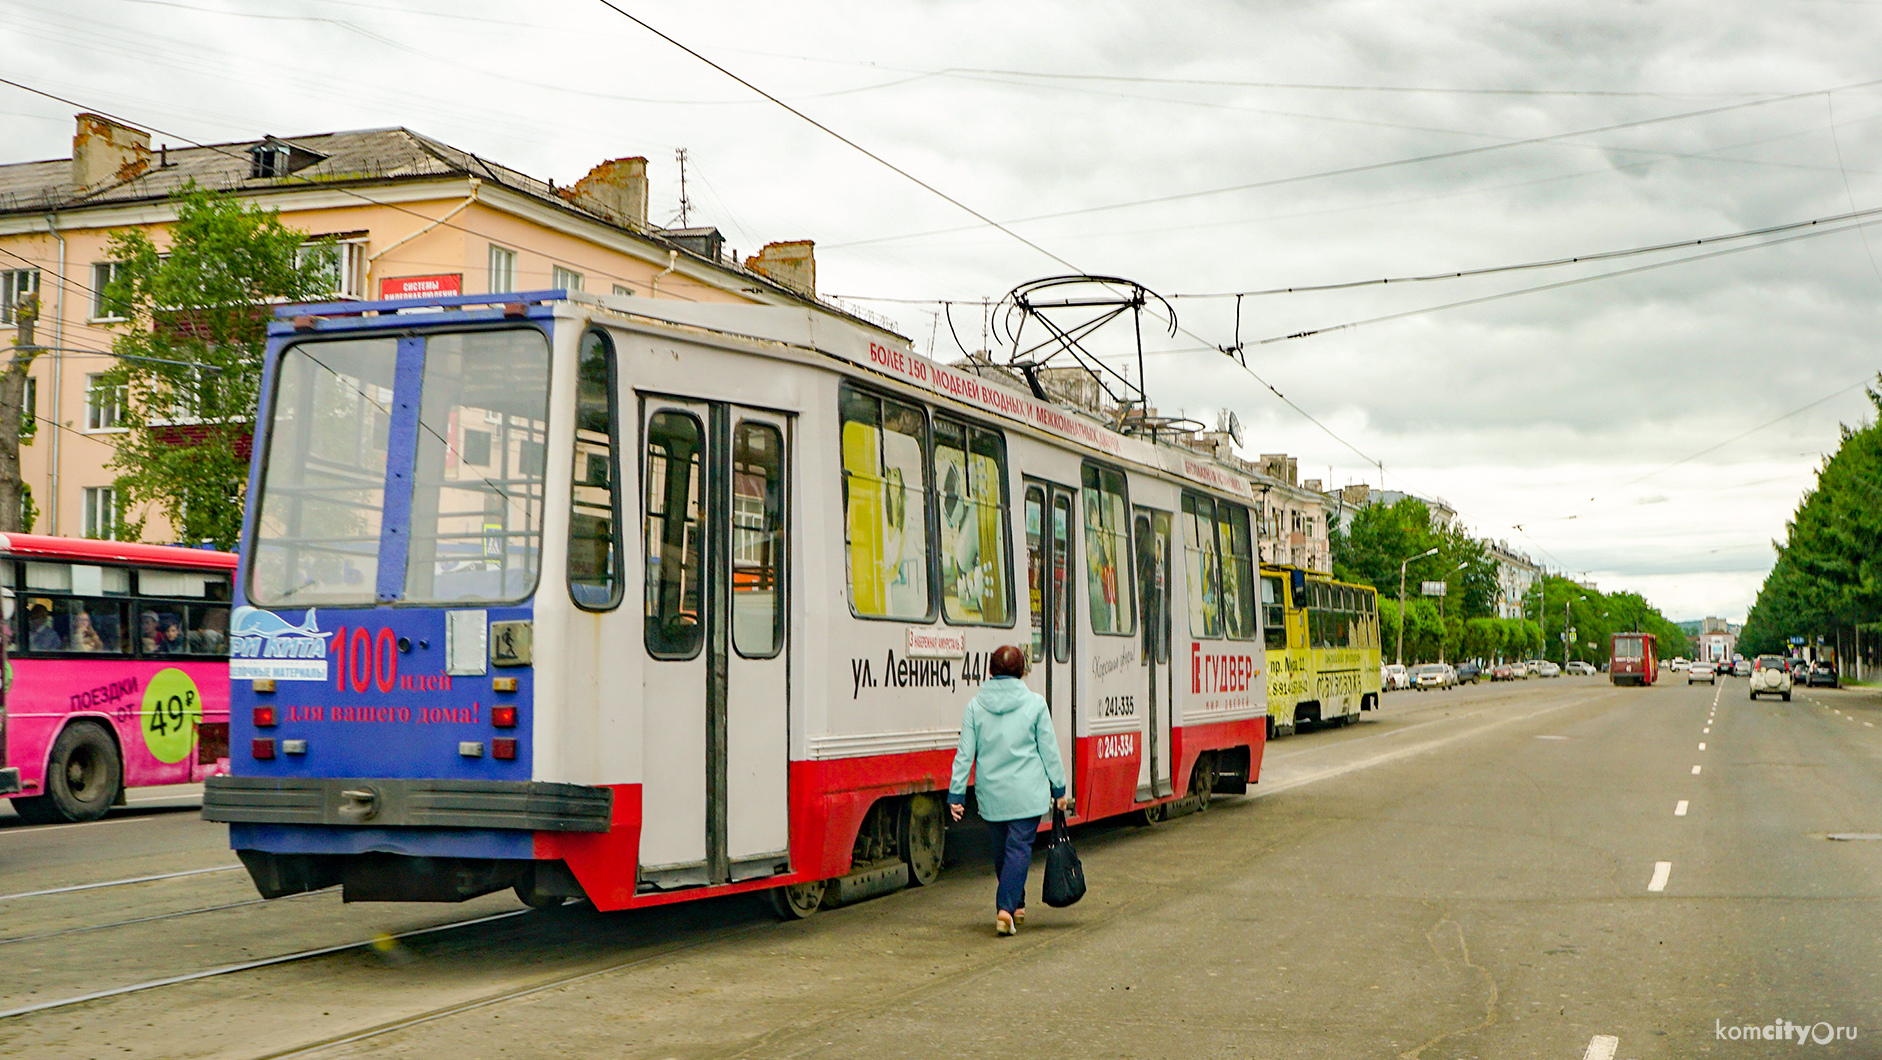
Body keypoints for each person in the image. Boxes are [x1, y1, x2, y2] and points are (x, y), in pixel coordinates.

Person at [947, 644, 1069, 937]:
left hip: (992, 795)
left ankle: (1018, 904)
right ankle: (1005, 908)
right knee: (1018, 850)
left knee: (1003, 852)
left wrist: (956, 794)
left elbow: (965, 753)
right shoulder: (1036, 704)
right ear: (1022, 671)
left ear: (990, 671)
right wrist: (1059, 788)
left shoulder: (976, 706)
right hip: (1027, 793)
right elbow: (1049, 750)